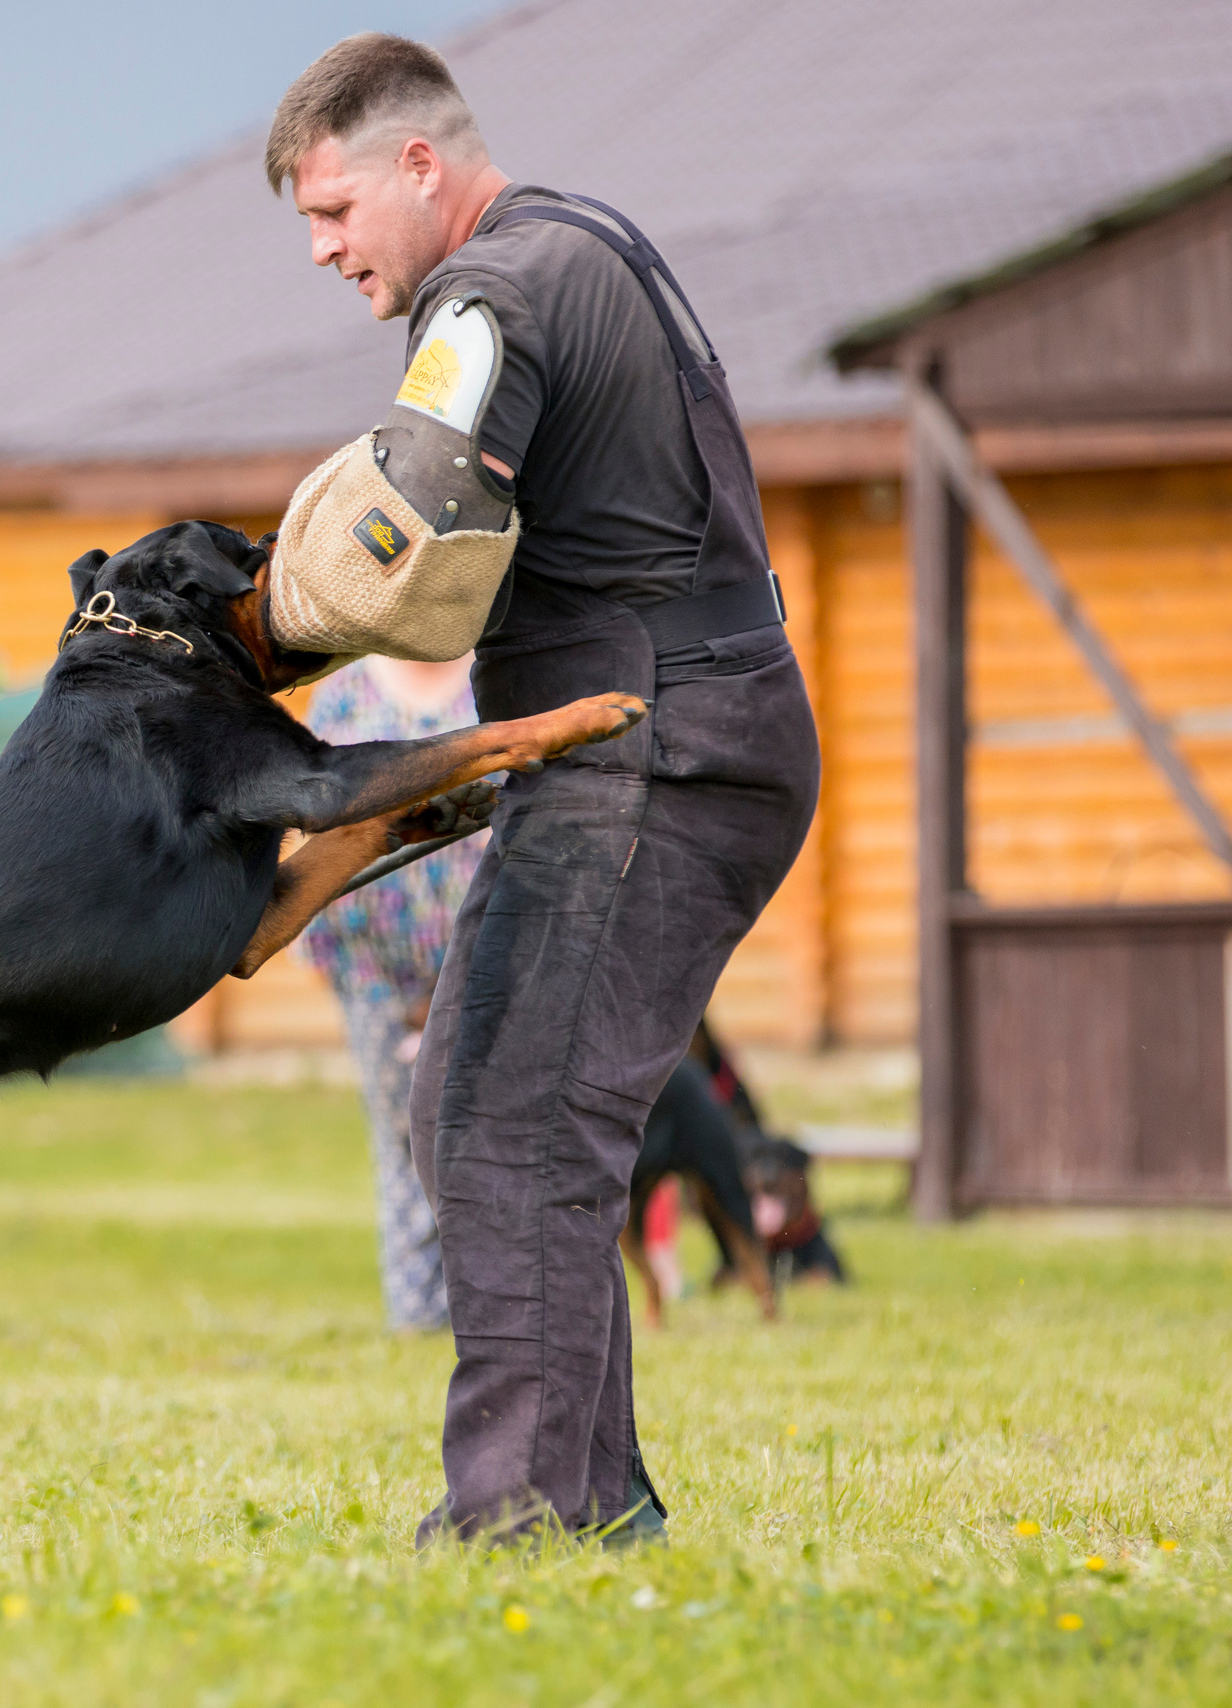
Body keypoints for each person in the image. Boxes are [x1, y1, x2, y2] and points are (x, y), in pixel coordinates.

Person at [263, 37, 820, 1545]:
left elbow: (414, 537)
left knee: (514, 1118)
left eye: (332, 211)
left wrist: (240, 645)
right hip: (661, 728)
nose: (321, 250)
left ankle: (516, 1513)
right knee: (478, 1099)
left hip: (655, 741)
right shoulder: (585, 237)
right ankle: (602, 1500)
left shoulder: (488, 295)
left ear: (422, 166)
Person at [299, 654, 485, 1332]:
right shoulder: (344, 694)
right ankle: (416, 1313)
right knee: (402, 1133)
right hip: (371, 967)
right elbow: (316, 816)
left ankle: (485, 1313)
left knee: (483, 1130)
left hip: (487, 955)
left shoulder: (493, 678)